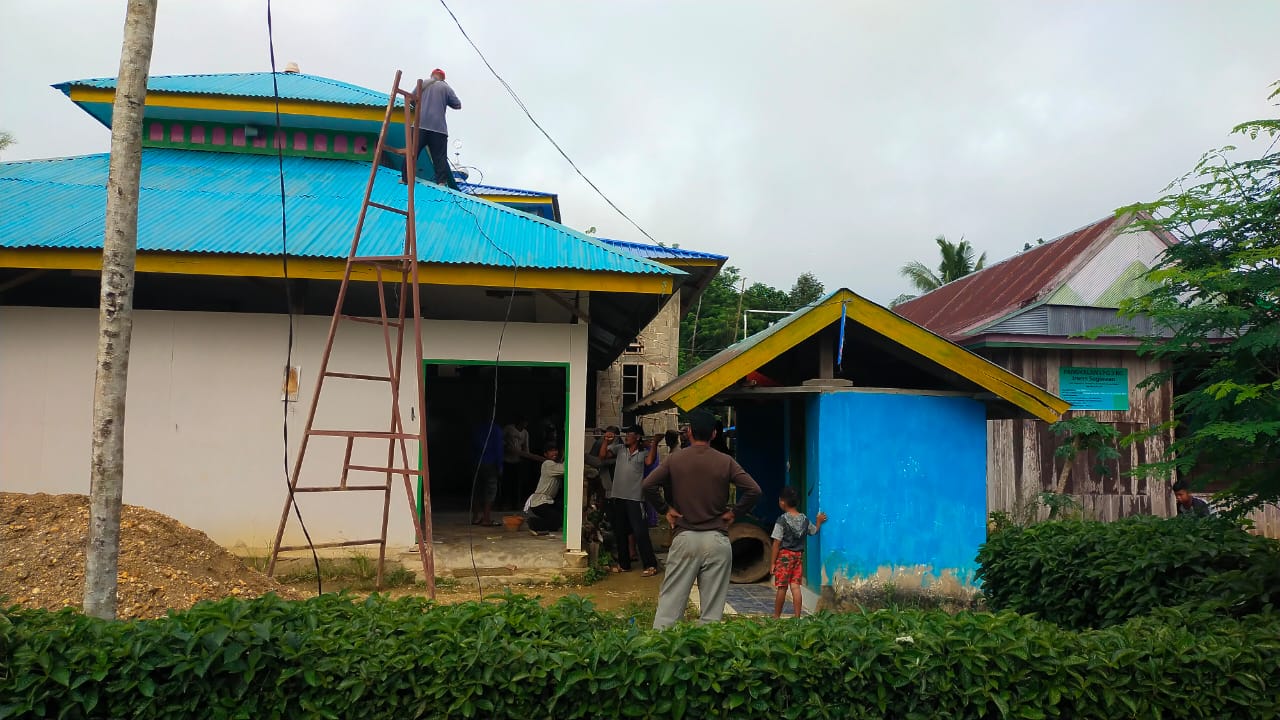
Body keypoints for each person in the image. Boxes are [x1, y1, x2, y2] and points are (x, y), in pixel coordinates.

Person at [642, 410, 762, 629]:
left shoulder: (675, 459)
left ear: (688, 432)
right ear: (714, 434)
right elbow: (754, 490)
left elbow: (648, 485)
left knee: (669, 609)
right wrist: (734, 512)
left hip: (685, 538)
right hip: (717, 540)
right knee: (712, 615)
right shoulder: (726, 461)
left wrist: (665, 509)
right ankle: (707, 658)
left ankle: (661, 655)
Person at [600, 426, 660, 576]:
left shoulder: (643, 453)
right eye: (626, 434)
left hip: (635, 498)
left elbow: (650, 461)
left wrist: (654, 444)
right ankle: (624, 564)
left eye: (630, 434)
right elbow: (602, 456)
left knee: (640, 532)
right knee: (620, 532)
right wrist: (605, 441)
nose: (626, 437)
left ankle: (650, 565)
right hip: (619, 497)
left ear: (638, 437)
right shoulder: (619, 448)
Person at [770, 487, 827, 619]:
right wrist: (818, 522)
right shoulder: (805, 520)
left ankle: (776, 617)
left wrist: (772, 562)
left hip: (784, 557)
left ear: (782, 502)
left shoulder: (782, 520)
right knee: (795, 587)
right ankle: (797, 618)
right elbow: (813, 531)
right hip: (798, 556)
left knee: (782, 587)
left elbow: (776, 543)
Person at [404, 68, 461, 187]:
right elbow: (457, 105)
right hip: (438, 129)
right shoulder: (446, 88)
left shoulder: (423, 83)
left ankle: (405, 178)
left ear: (431, 75)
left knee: (412, 152)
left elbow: (411, 100)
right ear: (443, 78)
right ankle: (441, 182)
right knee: (439, 157)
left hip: (419, 125)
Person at [470, 419, 504, 526]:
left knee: (477, 489)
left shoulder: (477, 428)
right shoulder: (496, 429)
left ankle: (476, 517)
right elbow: (499, 449)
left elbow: (472, 445)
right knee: (490, 490)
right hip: (490, 463)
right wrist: (500, 466)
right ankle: (486, 519)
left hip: (476, 462)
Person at [502, 416, 541, 510]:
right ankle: (503, 504)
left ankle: (515, 504)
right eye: (523, 423)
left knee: (516, 484)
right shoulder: (509, 428)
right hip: (506, 460)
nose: (524, 425)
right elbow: (501, 439)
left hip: (517, 461)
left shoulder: (525, 433)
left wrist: (526, 456)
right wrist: (505, 447)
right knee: (505, 483)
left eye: (526, 423)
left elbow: (526, 448)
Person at [524, 446, 565, 534]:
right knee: (557, 520)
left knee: (559, 520)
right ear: (545, 454)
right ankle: (533, 523)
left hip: (548, 501)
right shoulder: (548, 464)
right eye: (551, 451)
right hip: (540, 502)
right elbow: (565, 469)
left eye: (555, 450)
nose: (554, 453)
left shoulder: (555, 465)